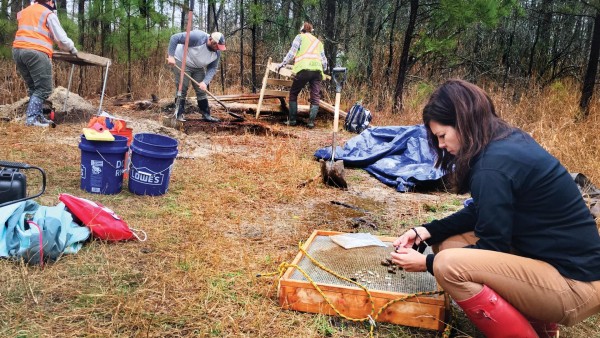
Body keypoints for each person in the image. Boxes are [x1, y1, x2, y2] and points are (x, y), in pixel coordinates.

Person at [390, 79, 600, 337]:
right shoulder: (504, 142)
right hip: (548, 262)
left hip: (575, 284)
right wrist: (426, 230)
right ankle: (537, 323)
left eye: (442, 135)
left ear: (463, 122)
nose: (441, 145)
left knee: (446, 264)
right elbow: (483, 212)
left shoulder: (493, 166)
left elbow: (493, 244)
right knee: (447, 243)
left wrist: (427, 263)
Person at [12, 0, 77, 128]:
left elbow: (35, 31)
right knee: (44, 88)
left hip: (17, 51)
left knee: (34, 87)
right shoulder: (48, 14)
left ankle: (38, 116)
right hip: (35, 52)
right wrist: (72, 48)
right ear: (50, 2)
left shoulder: (25, 12)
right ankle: (31, 119)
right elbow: (62, 39)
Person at [167, 30, 226, 122]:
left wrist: (205, 82)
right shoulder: (197, 37)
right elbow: (175, 38)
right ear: (211, 40)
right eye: (216, 46)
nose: (218, 49)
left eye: (220, 47)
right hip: (182, 61)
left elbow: (212, 68)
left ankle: (206, 115)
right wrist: (171, 56)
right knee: (182, 89)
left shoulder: (217, 52)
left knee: (202, 90)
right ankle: (178, 114)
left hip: (198, 67)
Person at [277, 22, 327, 128]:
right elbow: (324, 61)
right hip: (317, 71)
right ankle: (311, 122)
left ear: (302, 30)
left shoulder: (299, 37)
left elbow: (292, 53)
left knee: (294, 93)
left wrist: (282, 64)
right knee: (315, 97)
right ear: (311, 31)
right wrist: (324, 69)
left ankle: (292, 121)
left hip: (304, 69)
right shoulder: (318, 42)